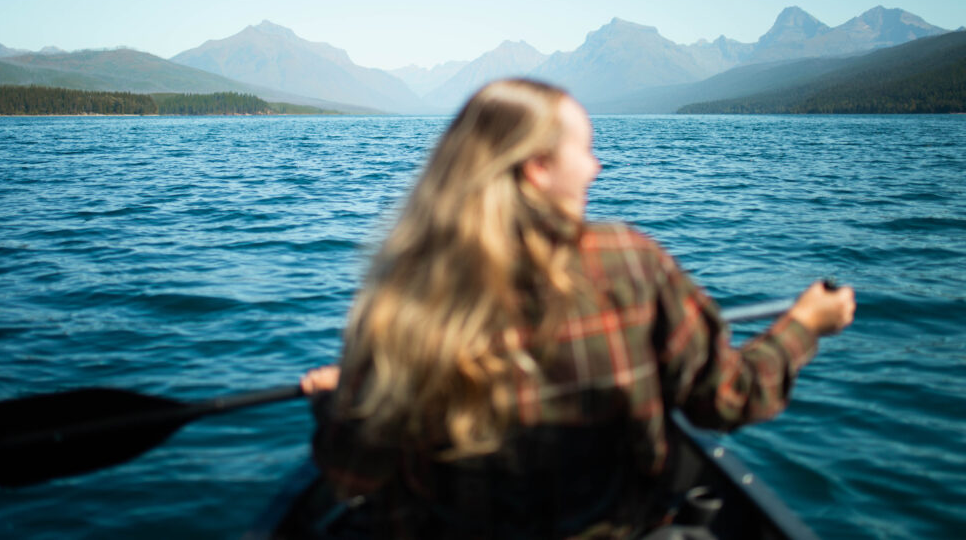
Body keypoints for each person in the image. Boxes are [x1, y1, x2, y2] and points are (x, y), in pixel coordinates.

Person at [300, 78, 854, 538]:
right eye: (586, 150)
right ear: (538, 166)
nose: (597, 167)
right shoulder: (629, 263)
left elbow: (352, 472)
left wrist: (336, 405)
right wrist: (804, 326)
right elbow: (728, 400)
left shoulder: (399, 294)